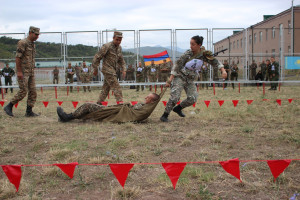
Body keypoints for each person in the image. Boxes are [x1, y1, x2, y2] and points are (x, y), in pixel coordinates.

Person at [160, 36, 227, 122]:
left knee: (193, 98)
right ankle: (165, 115)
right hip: (180, 76)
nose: (191, 46)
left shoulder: (204, 55)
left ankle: (178, 108)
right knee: (175, 97)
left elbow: (215, 62)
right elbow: (177, 65)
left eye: (193, 44)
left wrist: (223, 71)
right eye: (190, 44)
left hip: (190, 79)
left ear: (199, 45)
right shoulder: (187, 54)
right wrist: (170, 80)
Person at [4, 26, 40, 117]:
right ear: (30, 33)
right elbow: (18, 57)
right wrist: (19, 71)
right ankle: (9, 106)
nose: (37, 37)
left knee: (33, 91)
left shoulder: (32, 44)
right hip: (23, 72)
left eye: (38, 35)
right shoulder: (22, 43)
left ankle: (29, 111)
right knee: (23, 91)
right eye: (36, 34)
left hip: (30, 71)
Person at [57, 92, 160, 122]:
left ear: (151, 101)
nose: (146, 97)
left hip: (115, 112)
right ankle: (69, 116)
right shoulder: (144, 107)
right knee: (91, 107)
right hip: (115, 110)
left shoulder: (144, 110)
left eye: (148, 97)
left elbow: (131, 114)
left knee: (88, 105)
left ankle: (68, 117)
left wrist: (125, 108)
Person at [92, 31, 126, 104]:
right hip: (107, 69)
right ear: (113, 38)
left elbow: (121, 60)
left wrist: (124, 70)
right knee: (117, 87)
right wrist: (95, 69)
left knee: (106, 88)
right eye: (117, 39)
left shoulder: (119, 48)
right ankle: (120, 105)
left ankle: (98, 104)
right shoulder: (107, 46)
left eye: (120, 40)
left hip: (113, 70)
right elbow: (97, 57)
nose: (118, 41)